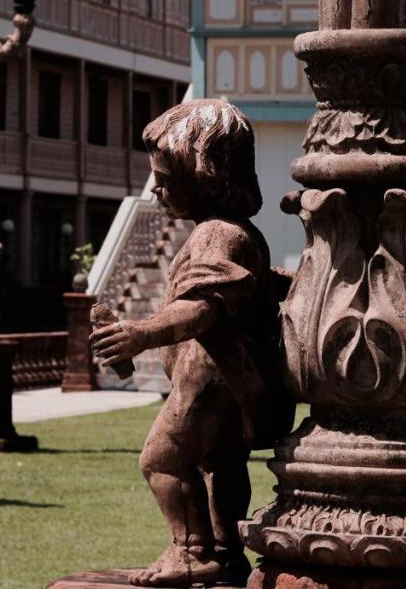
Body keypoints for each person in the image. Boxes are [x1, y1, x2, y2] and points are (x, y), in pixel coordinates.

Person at [91, 99, 294, 587]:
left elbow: (203, 307)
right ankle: (224, 552)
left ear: (204, 174)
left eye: (165, 176)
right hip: (229, 381)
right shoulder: (234, 233)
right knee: (220, 464)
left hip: (211, 377)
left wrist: (140, 333)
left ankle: (191, 551)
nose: (156, 188)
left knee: (162, 460)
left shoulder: (216, 235)